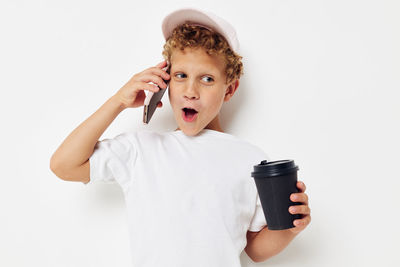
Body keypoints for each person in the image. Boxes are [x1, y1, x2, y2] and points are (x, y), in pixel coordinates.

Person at [50, 7, 311, 266]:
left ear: (229, 89)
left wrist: (289, 229)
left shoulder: (250, 160)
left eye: (207, 79)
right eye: (181, 76)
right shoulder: (141, 150)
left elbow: (255, 248)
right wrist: (118, 101)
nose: (190, 91)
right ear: (165, 81)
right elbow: (64, 165)